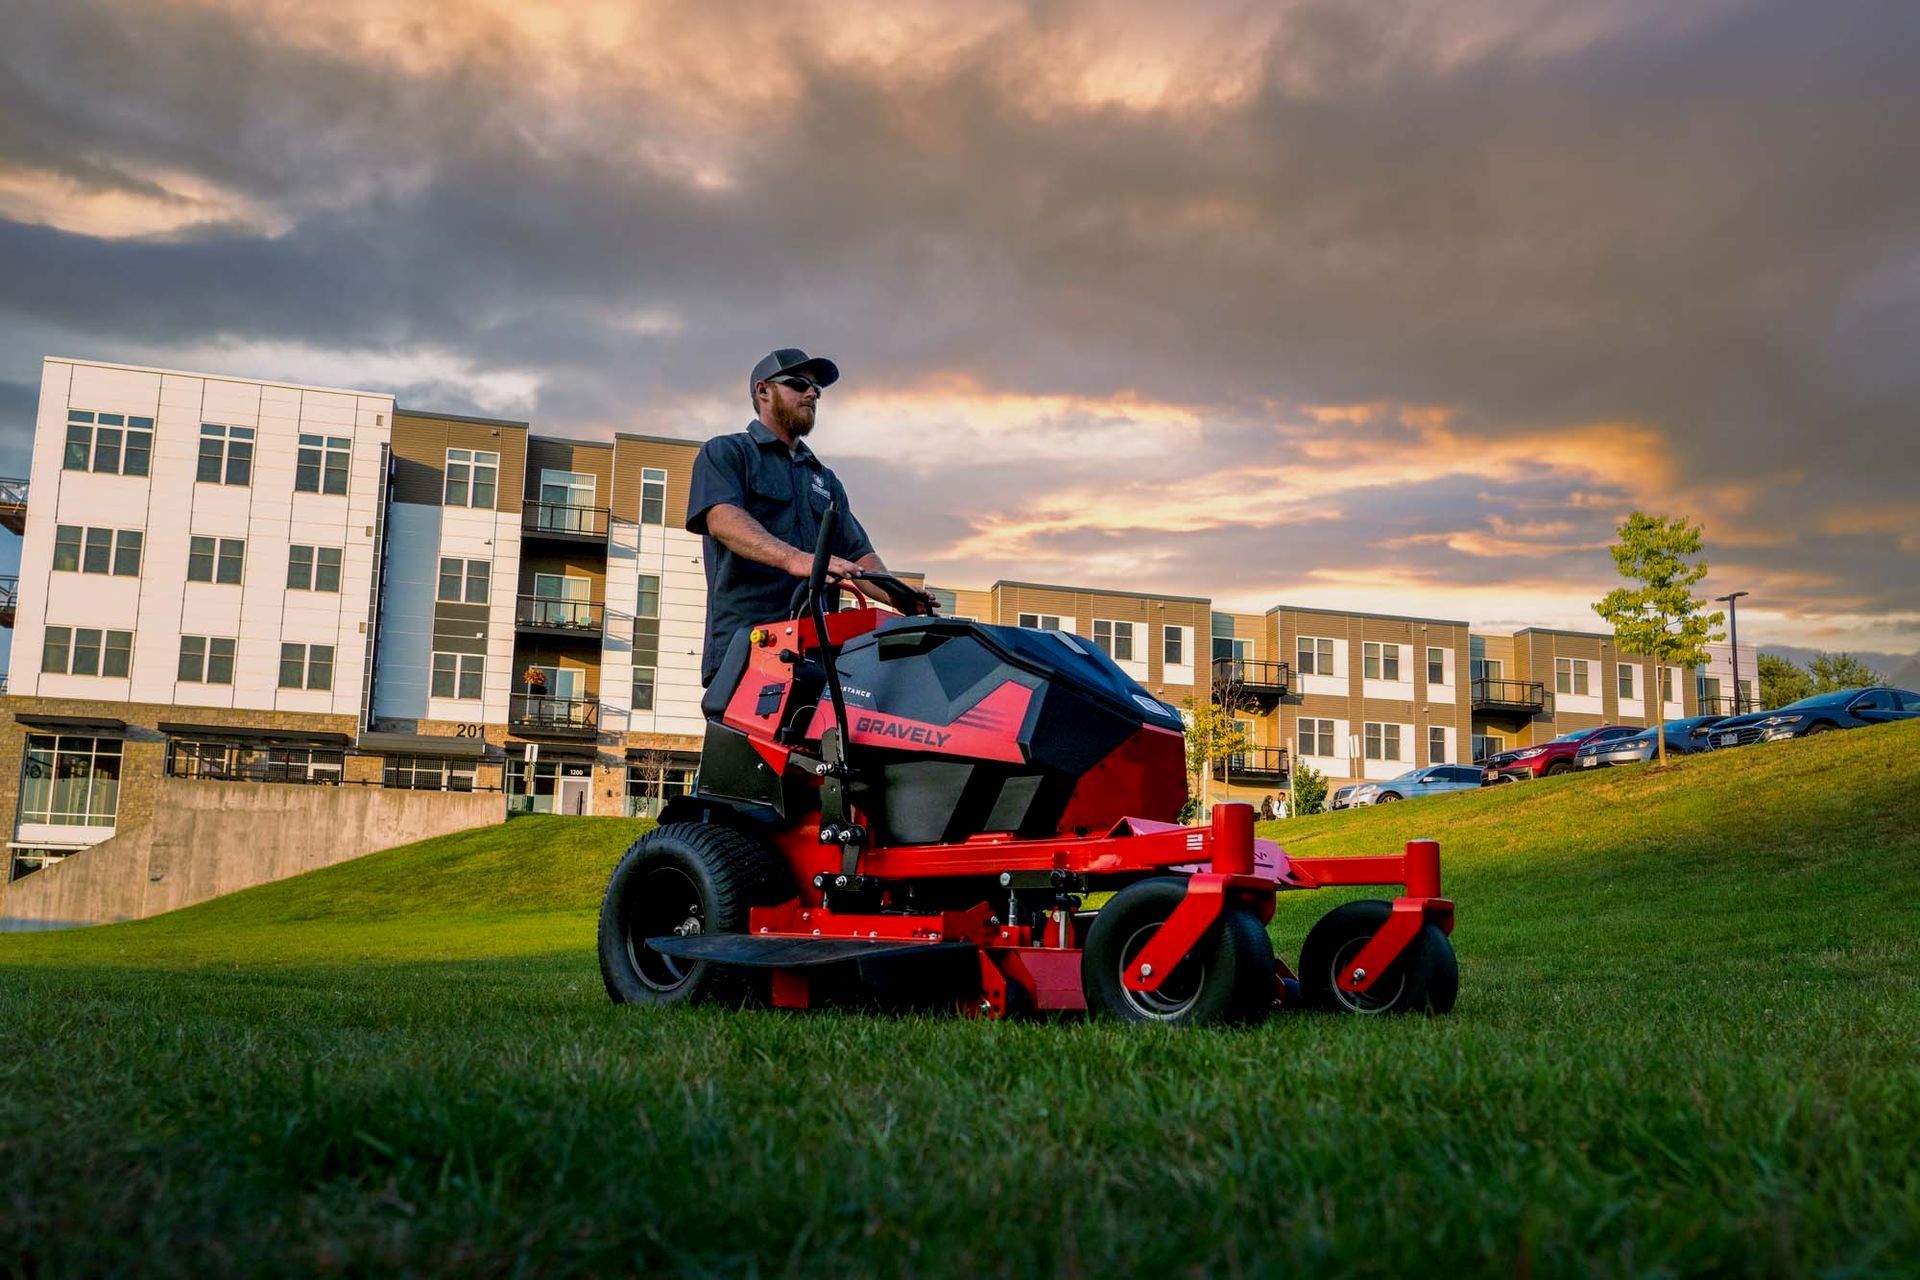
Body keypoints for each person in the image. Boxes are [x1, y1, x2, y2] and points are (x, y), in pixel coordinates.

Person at [687, 347, 933, 686]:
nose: (811, 394)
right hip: (748, 650)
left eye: (816, 390)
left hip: (818, 653)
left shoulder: (825, 479)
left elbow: (857, 554)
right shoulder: (727, 452)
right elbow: (722, 519)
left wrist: (896, 594)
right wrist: (796, 559)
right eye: (798, 384)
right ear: (763, 391)